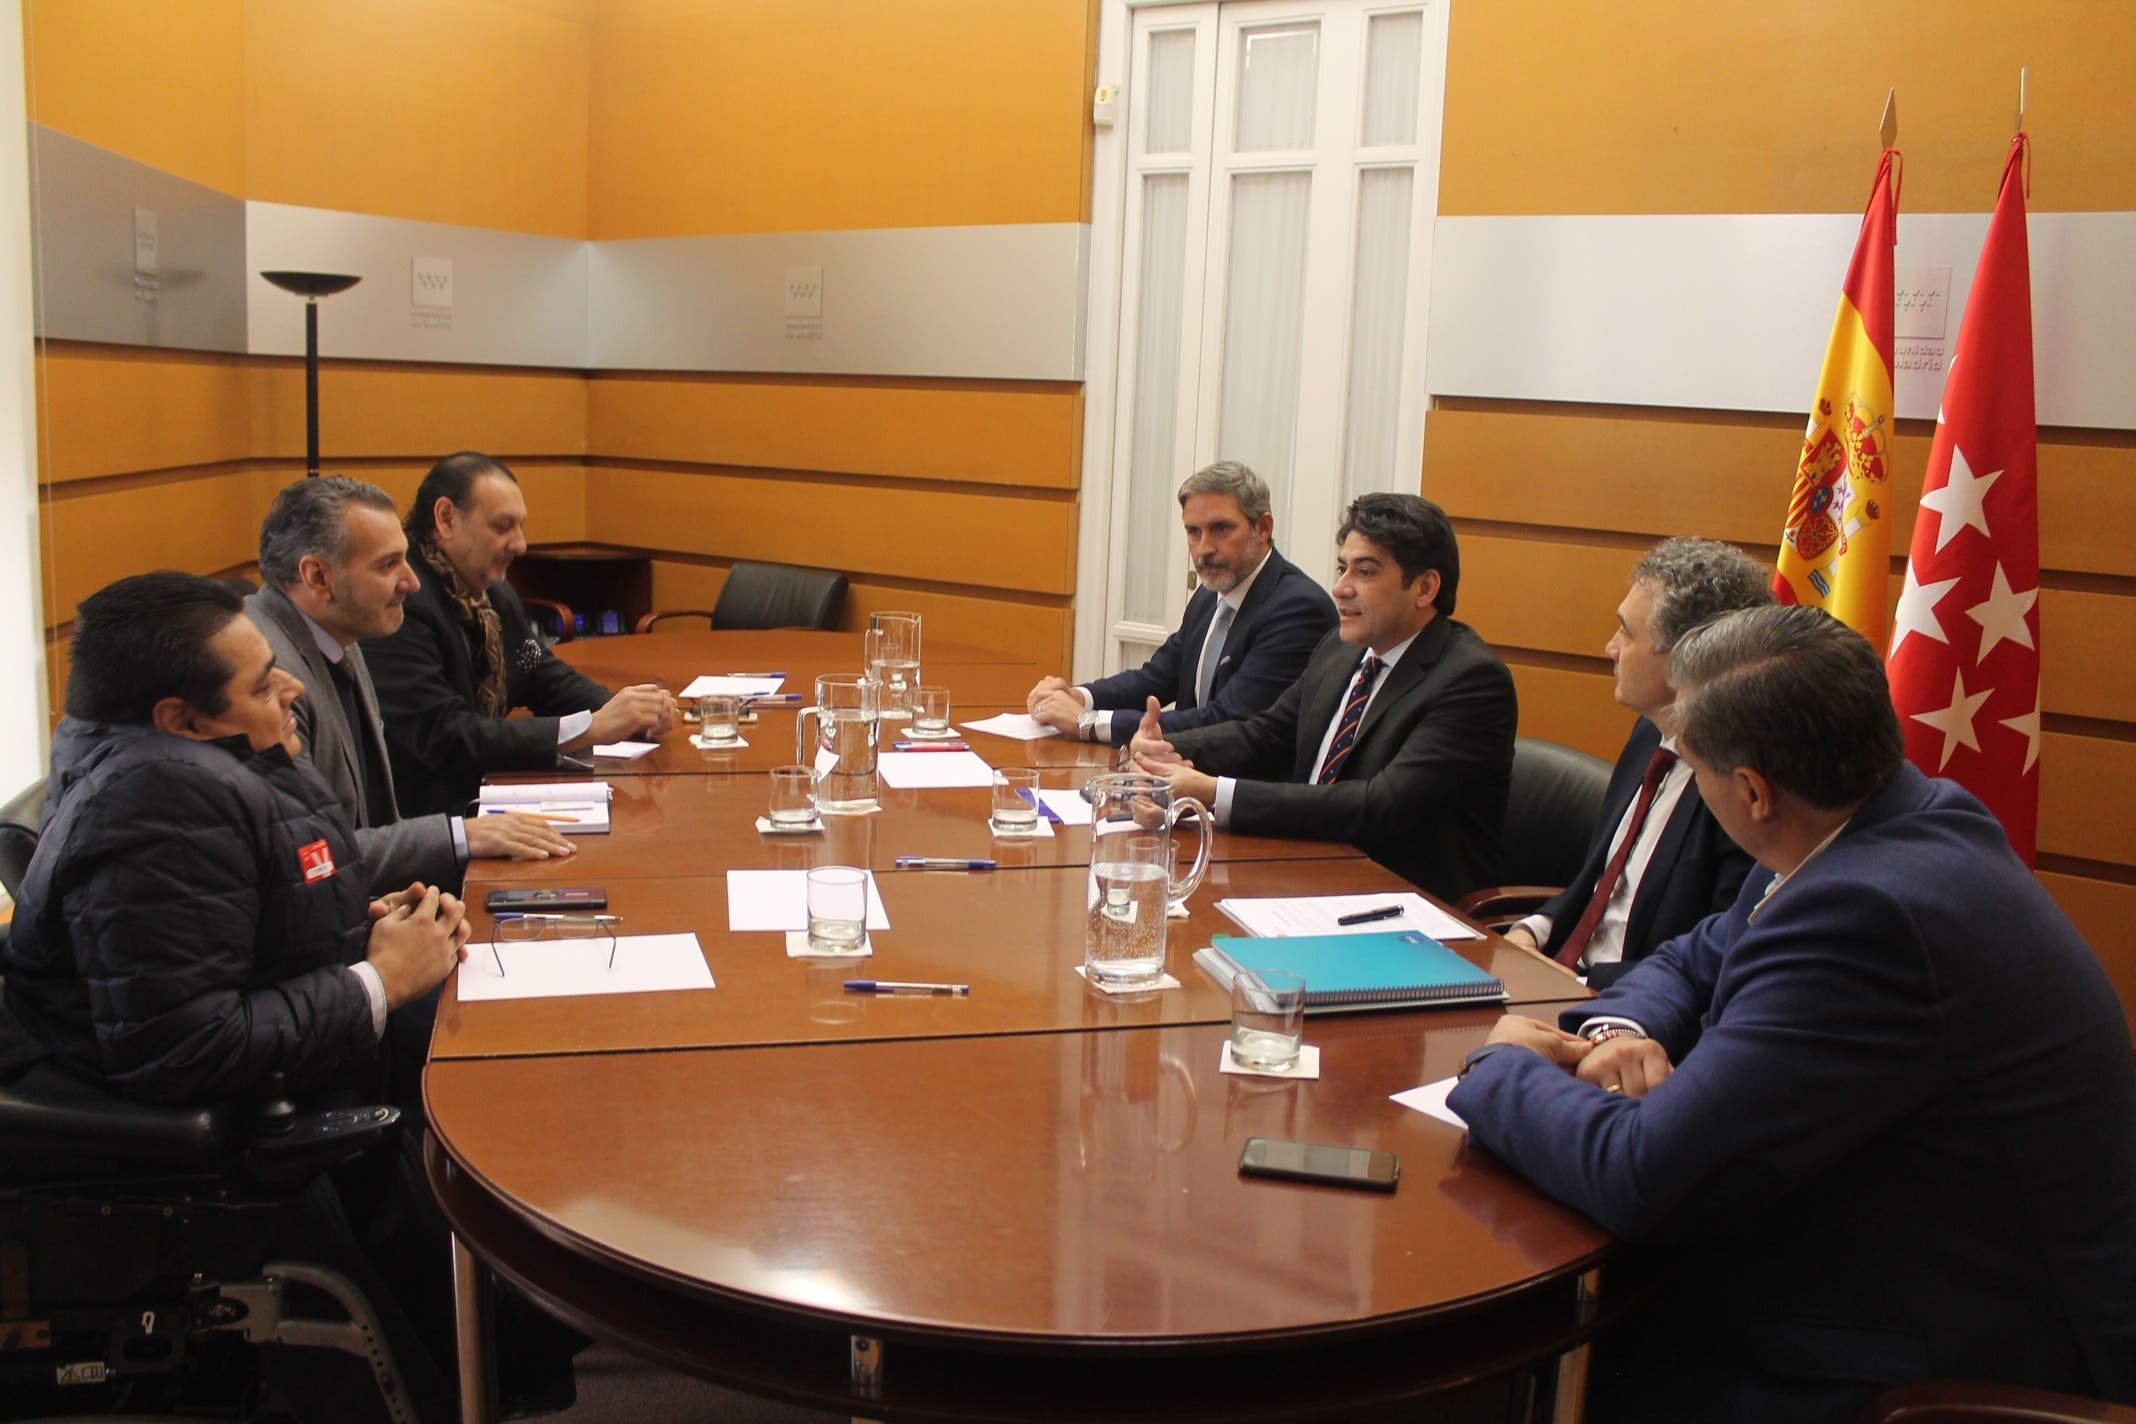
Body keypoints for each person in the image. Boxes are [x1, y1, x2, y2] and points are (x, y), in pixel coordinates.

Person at [1449, 605, 2136, 1423]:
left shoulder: (1869, 915)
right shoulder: (1884, 818)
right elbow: (1696, 956)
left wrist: (1499, 1066)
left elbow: (1641, 1175)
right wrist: (1617, 1029)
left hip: (1934, 1353)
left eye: (1690, 763)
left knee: (1565, 1342)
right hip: (1876, 1240)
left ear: (1752, 792)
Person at [0, 571, 470, 1423]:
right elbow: (182, 1044)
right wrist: (378, 979)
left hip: (295, 1069)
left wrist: (361, 932)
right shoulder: (157, 797)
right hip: (209, 1145)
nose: (292, 686)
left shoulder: (190, 765)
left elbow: (218, 929)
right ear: (180, 719)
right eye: (261, 684)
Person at [1131, 493, 1515, 903]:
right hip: (1302, 870)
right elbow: (1266, 735)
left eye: (1364, 572)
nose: (1340, 588)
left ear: (1425, 588)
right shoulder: (1341, 649)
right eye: (1341, 568)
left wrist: (1212, 791)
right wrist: (1164, 751)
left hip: (1402, 903)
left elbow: (1378, 805)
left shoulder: (1471, 681)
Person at [246, 475, 577, 893]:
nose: (412, 582)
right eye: (388, 565)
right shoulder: (265, 680)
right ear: (317, 577)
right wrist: (460, 836)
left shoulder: (339, 631)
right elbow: (310, 858)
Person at [1505, 536, 1768, 986]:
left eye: (1626, 633)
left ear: (1685, 657)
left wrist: (1579, 987)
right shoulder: (1650, 732)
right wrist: (1532, 930)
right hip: (1557, 975)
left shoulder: (1741, 783)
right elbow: (1600, 884)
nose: (1610, 647)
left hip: (1632, 1004)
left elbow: (1715, 961)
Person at [364, 451, 678, 817]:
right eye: (502, 527)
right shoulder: (401, 604)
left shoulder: (493, 593)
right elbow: (446, 736)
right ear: (446, 518)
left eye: (520, 526)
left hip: (490, 794)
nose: (520, 544)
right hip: (431, 816)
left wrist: (630, 712)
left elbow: (540, 674)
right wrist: (590, 728)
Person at [1027, 461, 1335, 745]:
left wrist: (1088, 721)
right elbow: (1155, 679)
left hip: (1238, 783)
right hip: (1179, 772)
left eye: (1221, 529)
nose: (1204, 548)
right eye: (1193, 531)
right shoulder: (1209, 596)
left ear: (1263, 528)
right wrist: (1079, 697)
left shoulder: (1297, 609)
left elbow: (1226, 720)